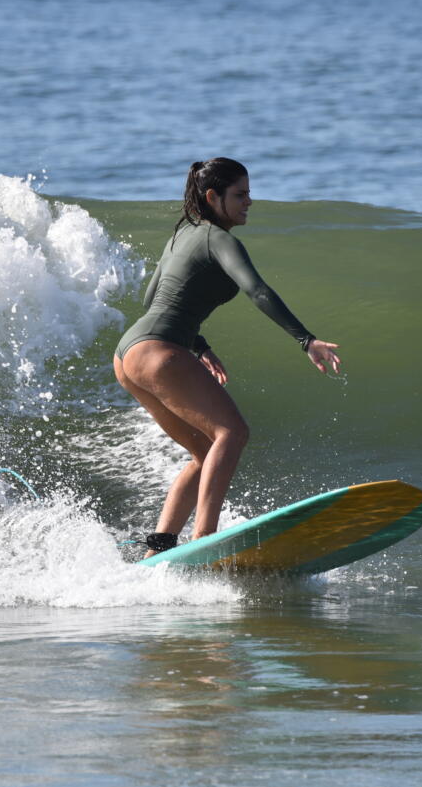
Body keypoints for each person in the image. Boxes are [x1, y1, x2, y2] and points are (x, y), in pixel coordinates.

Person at [113, 158, 341, 554]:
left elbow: (152, 300)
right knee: (232, 433)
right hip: (160, 350)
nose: (249, 201)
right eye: (240, 194)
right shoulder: (220, 240)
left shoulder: (181, 235)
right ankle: (204, 539)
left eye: (249, 193)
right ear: (212, 196)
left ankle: (160, 546)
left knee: (205, 452)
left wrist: (199, 345)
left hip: (128, 354)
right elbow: (258, 291)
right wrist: (306, 340)